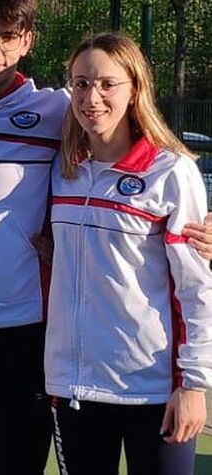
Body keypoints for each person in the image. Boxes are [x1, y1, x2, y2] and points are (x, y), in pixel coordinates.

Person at [0, 0, 212, 474]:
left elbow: (142, 154)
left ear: (27, 41)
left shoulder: (57, 111)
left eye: (8, 36)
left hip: (26, 335)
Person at [46, 32, 211, 475]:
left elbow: (196, 287)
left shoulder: (171, 170)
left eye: (107, 84)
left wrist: (194, 383)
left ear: (135, 89)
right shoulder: (63, 171)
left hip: (153, 390)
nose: (91, 97)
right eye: (81, 84)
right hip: (75, 388)